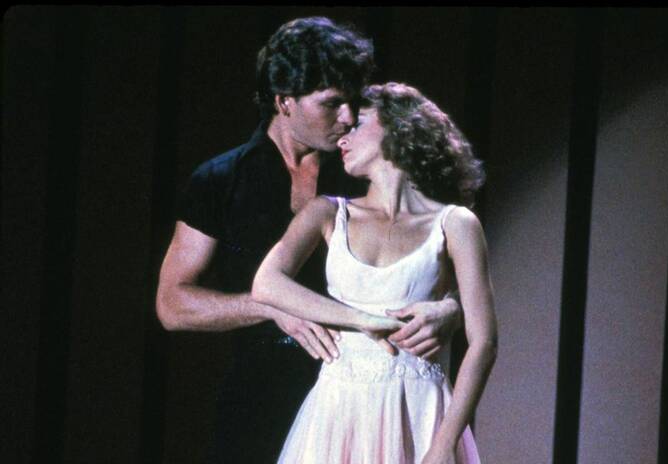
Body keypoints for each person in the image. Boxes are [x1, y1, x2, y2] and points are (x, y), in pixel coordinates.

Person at [156, 18, 462, 463]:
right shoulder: (221, 180)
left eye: (351, 102)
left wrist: (449, 309)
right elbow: (172, 303)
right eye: (331, 103)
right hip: (259, 399)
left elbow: (441, 254)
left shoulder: (364, 168)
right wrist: (273, 305)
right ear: (284, 101)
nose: (347, 117)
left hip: (364, 397)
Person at [252, 82, 498, 463]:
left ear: (399, 128)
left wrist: (445, 443)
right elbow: (266, 283)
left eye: (358, 124)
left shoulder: (455, 224)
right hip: (339, 411)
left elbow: (483, 342)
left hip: (417, 410)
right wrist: (361, 319)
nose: (342, 137)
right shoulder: (328, 212)